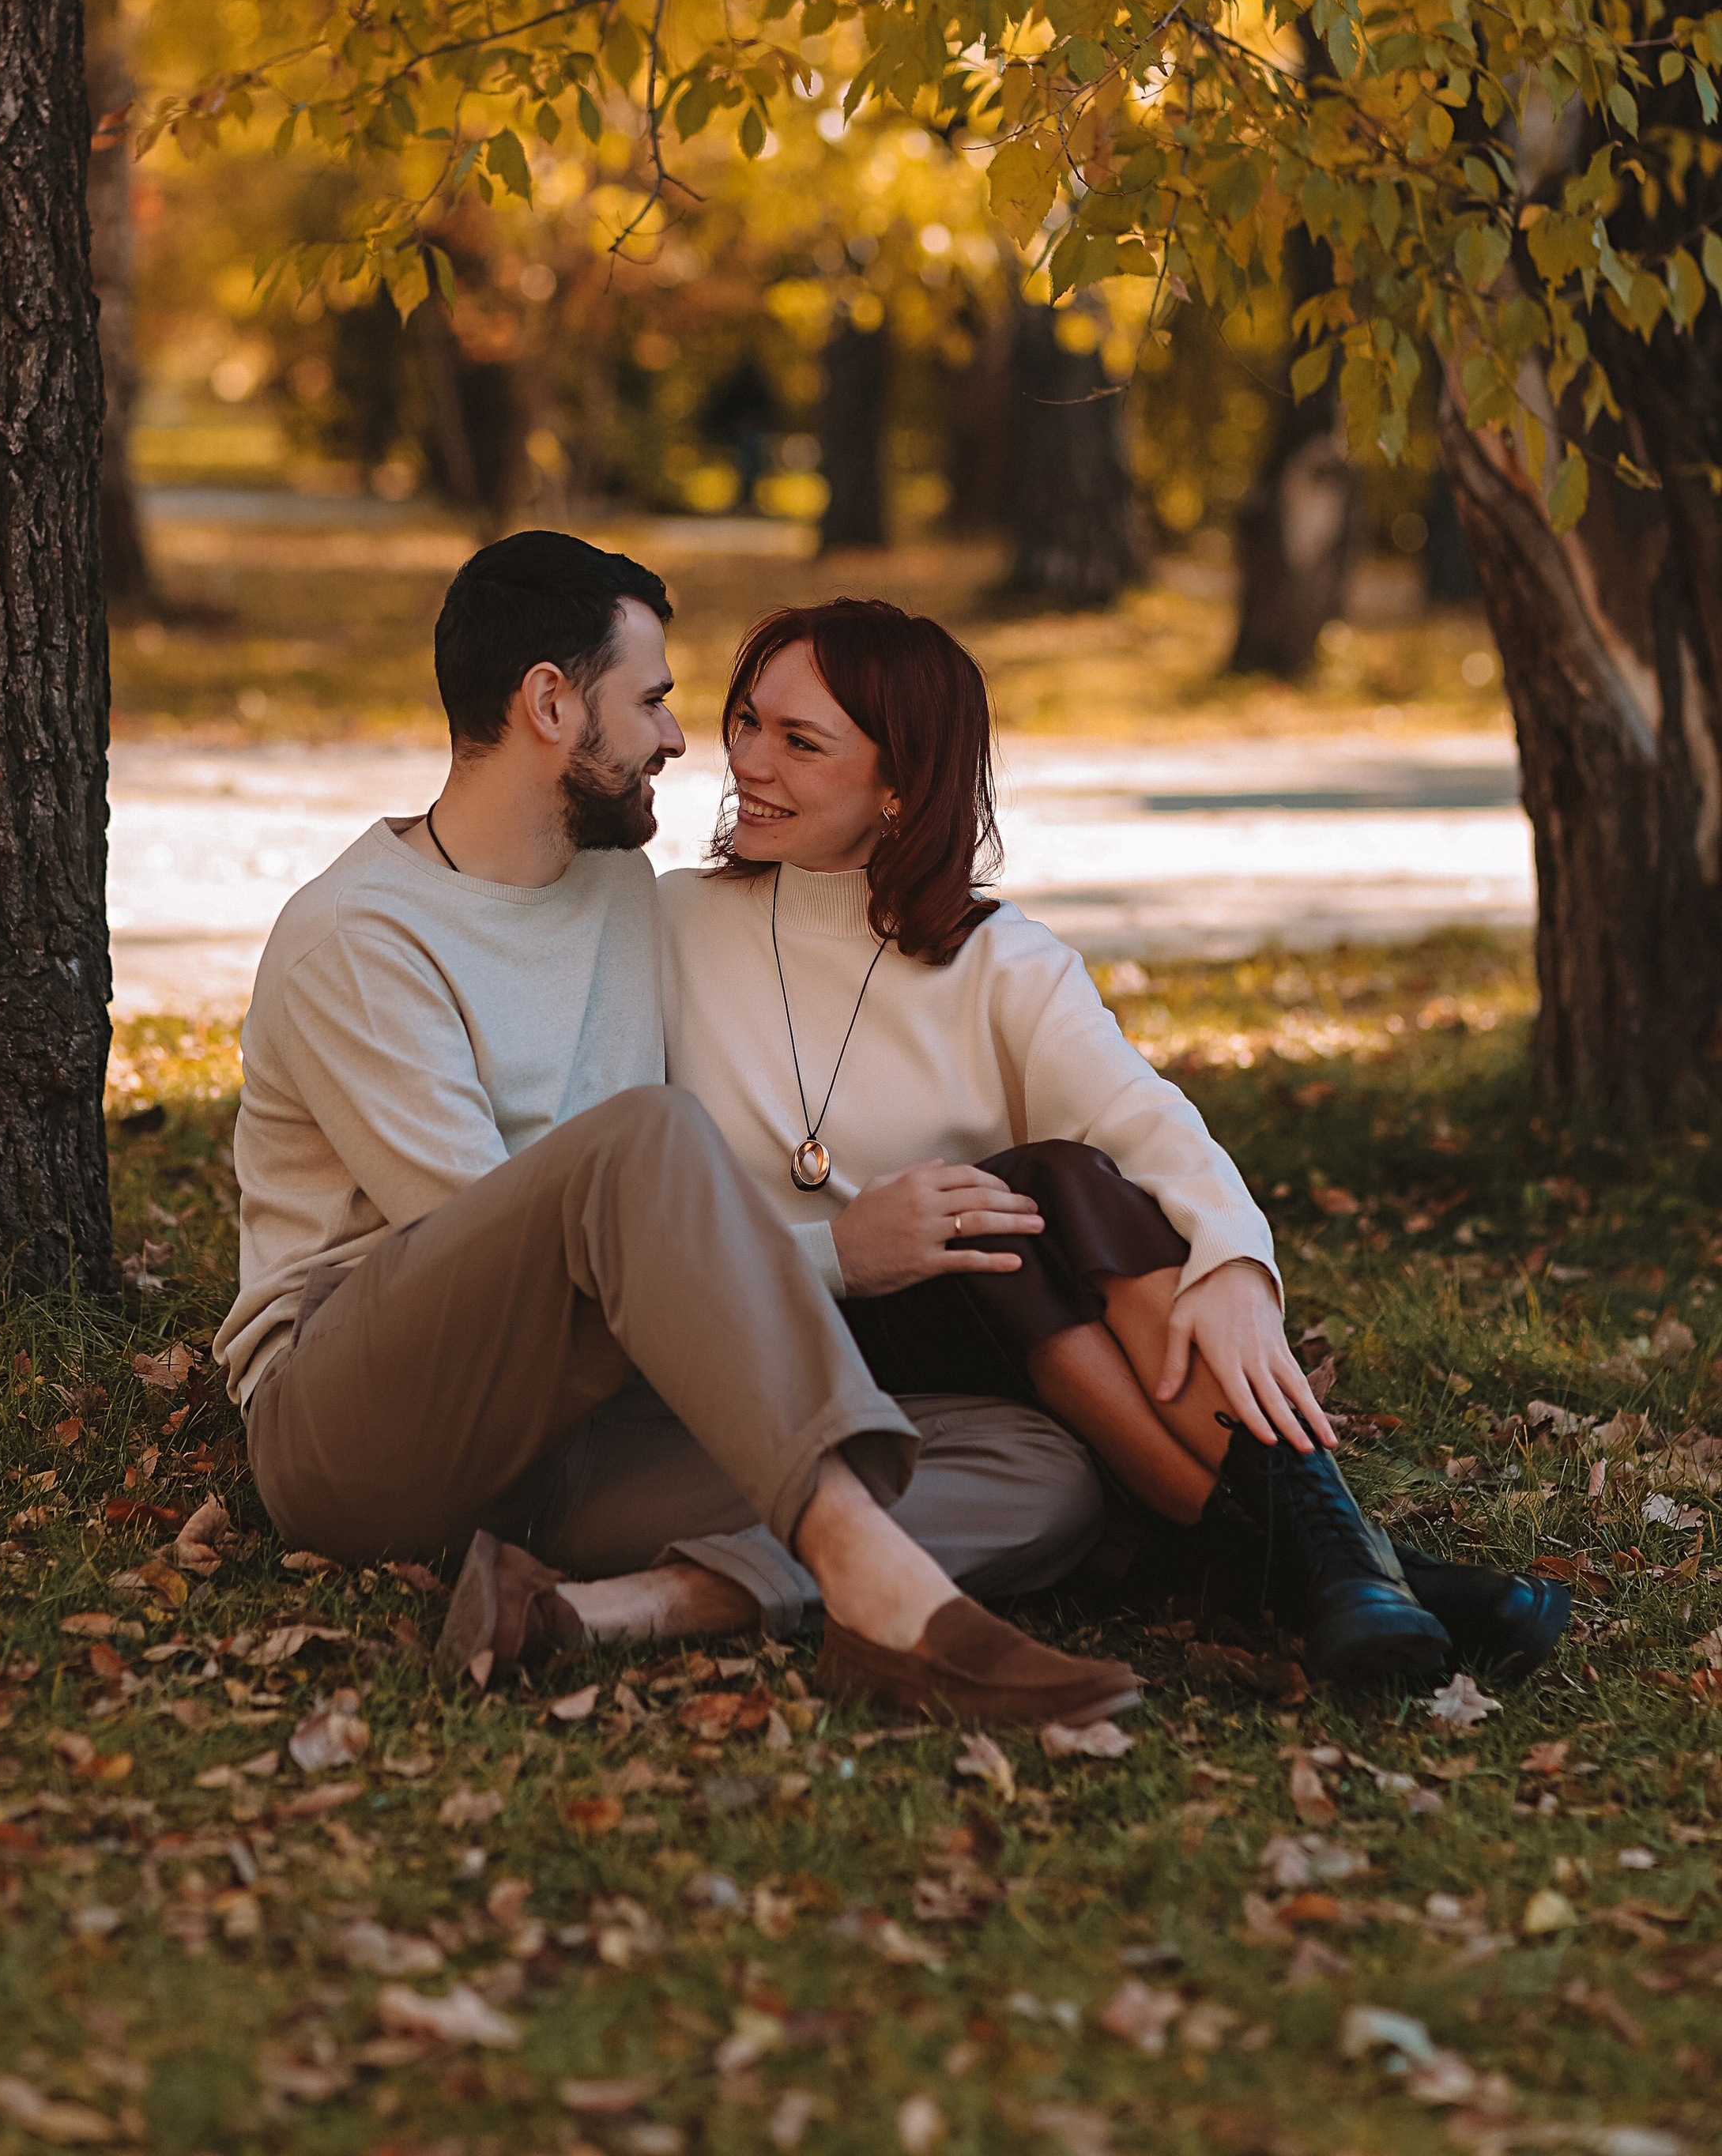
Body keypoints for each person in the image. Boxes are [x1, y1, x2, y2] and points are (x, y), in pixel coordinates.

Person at [212, 530, 1142, 1728]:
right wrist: (835, 1256)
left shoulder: (619, 895)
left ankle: (614, 1612)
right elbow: (484, 1240)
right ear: (551, 703)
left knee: (1036, 1468)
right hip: (363, 1429)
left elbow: (819, 942)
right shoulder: (361, 937)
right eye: (651, 699)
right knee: (638, 1139)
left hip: (580, 1435)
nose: (678, 737)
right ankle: (889, 1604)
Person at [659, 599, 1570, 1690]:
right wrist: (845, 1242)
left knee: (1053, 1184)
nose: (748, 761)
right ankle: (1353, 1563)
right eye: (747, 721)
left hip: (986, 1354)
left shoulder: (1001, 962)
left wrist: (1233, 1265)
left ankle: (1337, 1571)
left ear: (900, 788)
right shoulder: (669, 927)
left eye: (800, 742)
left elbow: (1145, 1124)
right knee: (1015, 1198)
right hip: (787, 1340)